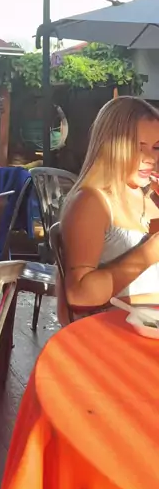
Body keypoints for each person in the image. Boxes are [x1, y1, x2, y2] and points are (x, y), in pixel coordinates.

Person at [59, 96, 159, 325]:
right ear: (110, 146)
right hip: (114, 333)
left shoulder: (150, 196)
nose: (151, 158)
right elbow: (79, 296)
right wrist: (147, 255)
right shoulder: (92, 202)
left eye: (156, 147)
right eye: (138, 147)